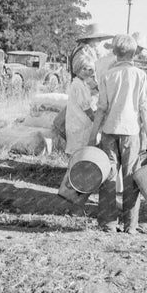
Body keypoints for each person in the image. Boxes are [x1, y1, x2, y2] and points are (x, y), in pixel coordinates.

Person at [88, 34, 147, 234]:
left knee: (108, 177)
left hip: (110, 131)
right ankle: (130, 225)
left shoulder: (107, 75)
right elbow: (144, 109)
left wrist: (93, 136)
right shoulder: (139, 75)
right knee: (131, 178)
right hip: (131, 133)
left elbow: (101, 108)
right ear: (134, 53)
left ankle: (108, 224)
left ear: (115, 53)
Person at [58, 52, 97, 202]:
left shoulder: (82, 84)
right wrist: (97, 120)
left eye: (90, 69)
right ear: (77, 69)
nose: (88, 72)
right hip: (78, 126)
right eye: (84, 69)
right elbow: (86, 107)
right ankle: (69, 190)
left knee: (79, 157)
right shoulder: (78, 85)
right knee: (77, 158)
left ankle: (73, 189)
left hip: (81, 126)